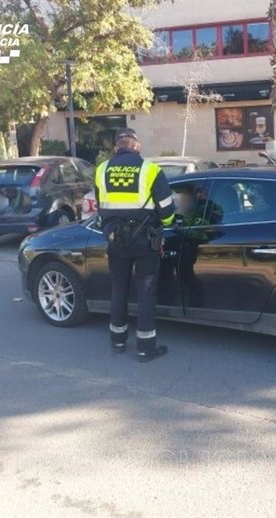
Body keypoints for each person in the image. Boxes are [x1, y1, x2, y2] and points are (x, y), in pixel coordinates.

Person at [94, 128, 174, 361]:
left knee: (118, 288)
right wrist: (164, 222)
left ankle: (117, 341)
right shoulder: (150, 170)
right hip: (144, 240)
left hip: (115, 240)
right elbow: (167, 211)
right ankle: (145, 347)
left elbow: (101, 206)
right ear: (137, 146)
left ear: (115, 147)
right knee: (146, 291)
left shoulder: (101, 170)